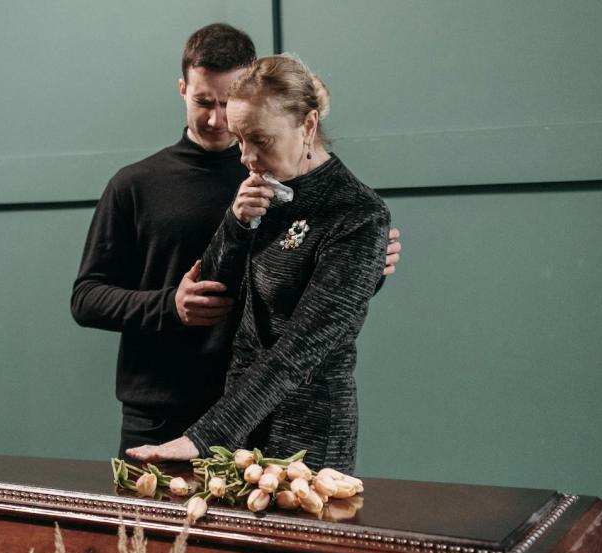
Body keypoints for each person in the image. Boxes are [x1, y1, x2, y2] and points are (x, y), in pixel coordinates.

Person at [71, 24, 400, 458]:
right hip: (168, 408)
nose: (219, 122)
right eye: (204, 102)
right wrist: (170, 303)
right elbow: (88, 297)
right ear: (183, 88)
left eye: (231, 108)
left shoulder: (295, 184)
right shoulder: (143, 183)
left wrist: (361, 271)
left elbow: (302, 321)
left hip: (269, 420)